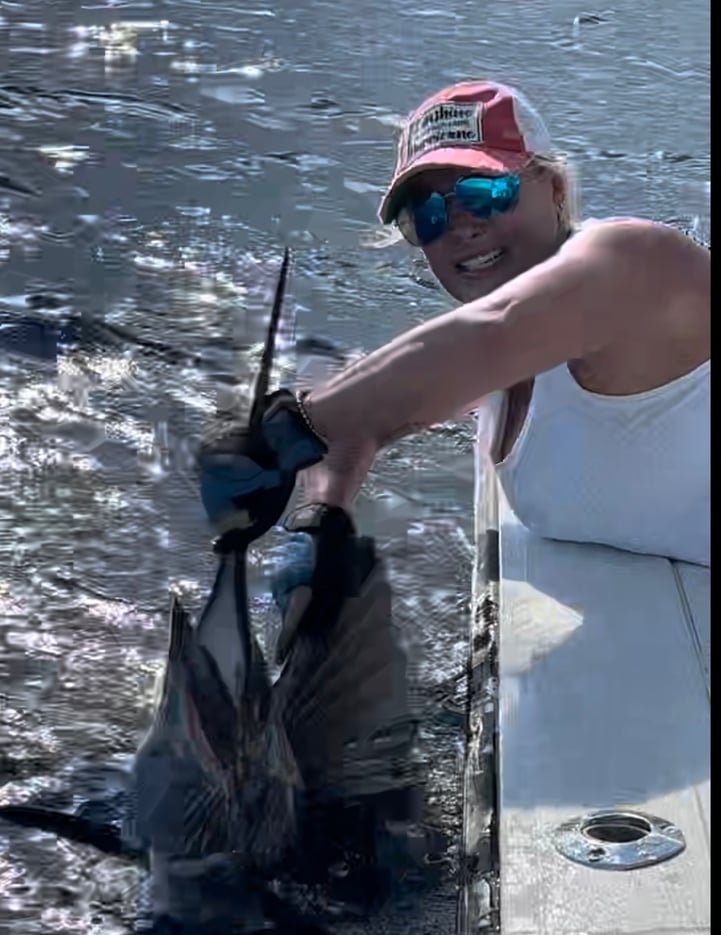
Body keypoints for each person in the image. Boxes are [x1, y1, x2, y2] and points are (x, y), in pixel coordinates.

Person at [200, 78, 710, 640]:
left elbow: (499, 329)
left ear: (555, 187)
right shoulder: (474, 362)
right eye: (429, 215)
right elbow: (376, 417)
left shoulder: (640, 263)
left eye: (484, 193)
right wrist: (321, 521)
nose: (462, 225)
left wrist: (288, 428)